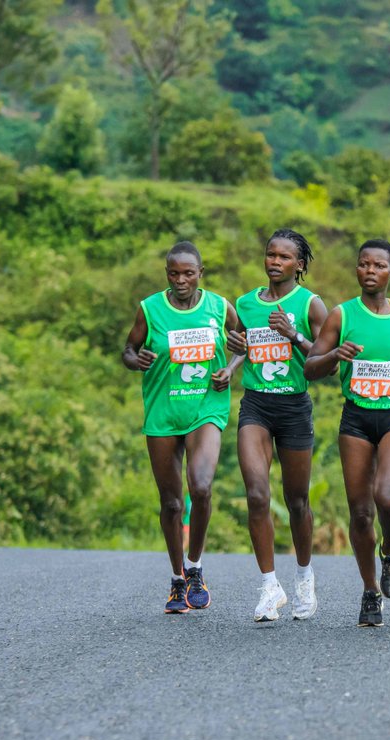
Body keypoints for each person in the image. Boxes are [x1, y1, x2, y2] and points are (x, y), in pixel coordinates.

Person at [304, 239, 390, 627]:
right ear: (357, 270)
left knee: (389, 496)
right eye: (363, 265)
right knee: (361, 513)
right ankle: (370, 591)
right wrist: (333, 355)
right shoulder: (342, 315)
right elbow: (311, 366)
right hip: (356, 419)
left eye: (379, 265)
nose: (370, 271)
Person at [122, 240, 238, 614]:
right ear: (167, 274)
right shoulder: (150, 309)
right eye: (174, 274)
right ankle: (176, 581)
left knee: (200, 487)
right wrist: (135, 359)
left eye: (189, 273)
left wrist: (230, 370)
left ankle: (195, 567)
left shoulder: (219, 307)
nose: (181, 280)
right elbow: (128, 350)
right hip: (162, 412)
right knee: (171, 503)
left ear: (200, 274)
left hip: (206, 406)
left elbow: (244, 341)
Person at [228, 229, 329, 622]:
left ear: (299, 265)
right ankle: (270, 586)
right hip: (255, 405)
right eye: (270, 254)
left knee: (297, 501)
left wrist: (294, 334)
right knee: (256, 493)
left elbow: (324, 362)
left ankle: (304, 576)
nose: (275, 262)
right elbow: (242, 345)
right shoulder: (245, 303)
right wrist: (236, 355)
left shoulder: (311, 304)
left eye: (284, 257)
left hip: (294, 408)